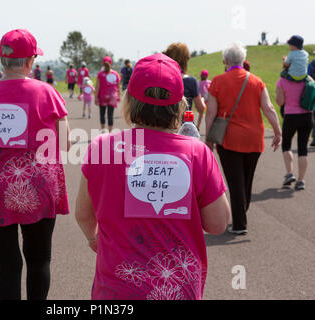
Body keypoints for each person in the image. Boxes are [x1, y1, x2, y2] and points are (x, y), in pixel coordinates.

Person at [76, 53, 231, 300]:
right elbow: (218, 223)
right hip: (177, 289)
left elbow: (84, 215)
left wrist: (94, 239)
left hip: (117, 289)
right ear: (180, 104)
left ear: (129, 100)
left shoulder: (102, 148)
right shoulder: (197, 153)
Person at [0, 29, 71, 300]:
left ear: (1, 59)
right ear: (30, 61)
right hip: (38, 187)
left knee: (7, 268)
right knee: (39, 259)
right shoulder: (48, 93)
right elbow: (64, 144)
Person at [205, 42, 282, 235]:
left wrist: (208, 138)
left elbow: (211, 113)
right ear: (243, 60)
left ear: (225, 61)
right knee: (246, 180)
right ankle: (242, 213)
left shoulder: (217, 81)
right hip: (254, 138)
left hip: (229, 139)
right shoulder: (257, 81)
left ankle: (240, 224)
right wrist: (278, 131)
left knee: (235, 181)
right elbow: (269, 108)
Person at [276, 74, 314, 190]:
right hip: (307, 116)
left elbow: (280, 102)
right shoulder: (308, 79)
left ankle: (290, 173)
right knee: (303, 149)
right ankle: (301, 180)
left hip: (291, 117)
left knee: (286, 145)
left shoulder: (282, 81)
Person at [164, 43, 206, 130]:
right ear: (185, 61)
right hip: (184, 128)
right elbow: (200, 108)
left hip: (165, 127)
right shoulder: (191, 81)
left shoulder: (162, 79)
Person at [95, 56, 120, 133]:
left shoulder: (100, 74)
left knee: (102, 114)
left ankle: (103, 131)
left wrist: (96, 97)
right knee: (110, 115)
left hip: (103, 96)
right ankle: (110, 132)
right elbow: (118, 86)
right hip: (112, 96)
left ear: (103, 63)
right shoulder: (115, 74)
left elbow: (97, 86)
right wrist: (118, 95)